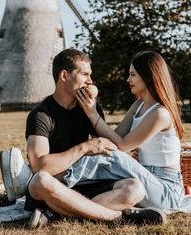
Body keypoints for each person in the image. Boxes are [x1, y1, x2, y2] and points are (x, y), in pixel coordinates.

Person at [0, 48, 166, 228]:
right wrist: (85, 147)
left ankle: (56, 213)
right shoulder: (41, 114)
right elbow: (40, 166)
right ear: (64, 76)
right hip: (56, 186)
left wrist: (94, 117)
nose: (90, 81)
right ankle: (119, 217)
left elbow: (109, 151)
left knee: (136, 188)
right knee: (39, 181)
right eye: (85, 74)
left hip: (86, 184)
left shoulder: (89, 109)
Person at [70, 50, 185, 211]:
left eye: (133, 75)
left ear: (148, 76)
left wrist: (92, 113)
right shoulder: (138, 106)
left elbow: (123, 147)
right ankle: (72, 196)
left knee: (114, 157)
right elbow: (115, 138)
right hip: (146, 178)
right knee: (106, 151)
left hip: (167, 190)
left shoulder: (160, 114)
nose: (128, 79)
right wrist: (91, 116)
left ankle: (64, 178)